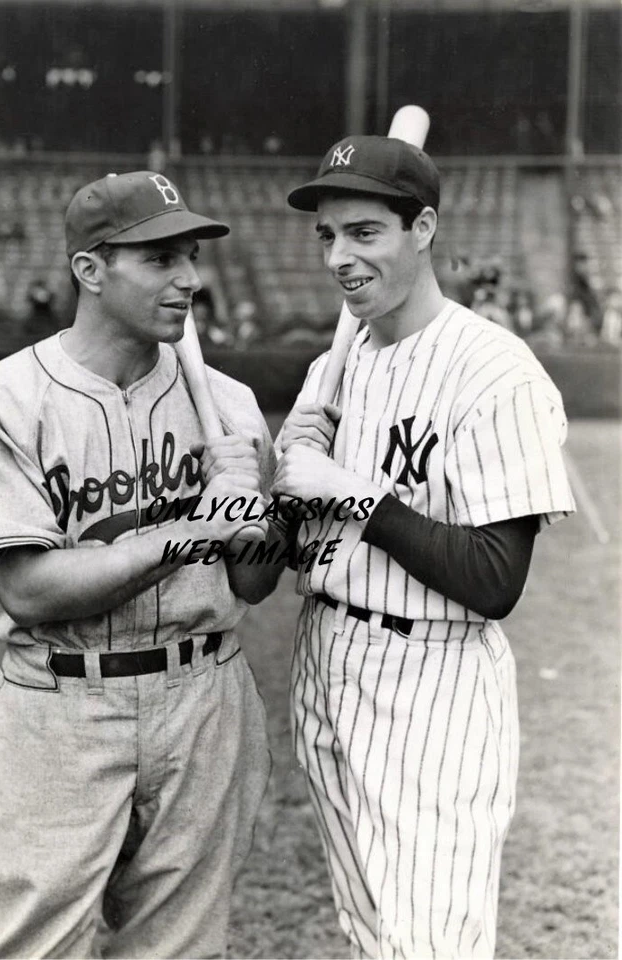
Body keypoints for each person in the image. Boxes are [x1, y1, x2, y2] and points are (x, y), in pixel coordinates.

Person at [0, 170, 279, 959]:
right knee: (26, 946)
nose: (190, 280)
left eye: (191, 256)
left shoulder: (226, 405)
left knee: (181, 947)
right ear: (90, 270)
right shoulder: (1, 402)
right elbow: (29, 590)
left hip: (206, 693)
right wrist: (196, 526)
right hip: (63, 699)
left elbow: (256, 582)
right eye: (160, 259)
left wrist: (252, 511)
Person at [272, 136, 576, 959]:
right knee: (370, 931)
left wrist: (353, 493)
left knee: (431, 942)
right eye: (328, 237)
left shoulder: (494, 373)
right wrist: (288, 475)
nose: (339, 257)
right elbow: (293, 545)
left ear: (423, 228)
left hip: (430, 676)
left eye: (364, 232)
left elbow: (494, 578)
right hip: (325, 655)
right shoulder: (337, 368)